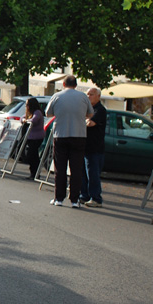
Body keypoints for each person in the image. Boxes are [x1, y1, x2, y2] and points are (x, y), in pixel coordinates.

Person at [45, 75, 93, 208]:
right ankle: (74, 199)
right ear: (76, 85)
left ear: (64, 84)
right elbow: (90, 114)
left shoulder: (57, 96)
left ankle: (59, 198)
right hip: (79, 135)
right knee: (76, 169)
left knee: (60, 168)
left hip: (61, 134)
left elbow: (48, 113)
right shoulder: (83, 97)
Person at [80, 87, 107, 208]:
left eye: (91, 94)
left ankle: (96, 198)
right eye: (87, 94)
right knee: (83, 174)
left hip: (95, 148)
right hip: (85, 146)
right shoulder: (87, 109)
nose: (88, 96)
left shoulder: (100, 110)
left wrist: (85, 120)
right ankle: (84, 195)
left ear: (98, 96)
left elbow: (90, 123)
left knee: (93, 174)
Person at [22, 97, 45, 180]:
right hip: (30, 137)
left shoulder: (37, 112)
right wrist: (24, 119)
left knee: (32, 154)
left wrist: (26, 120)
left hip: (37, 137)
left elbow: (34, 120)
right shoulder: (30, 113)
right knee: (32, 155)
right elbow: (22, 117)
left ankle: (36, 173)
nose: (26, 106)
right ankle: (33, 173)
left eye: (27, 105)